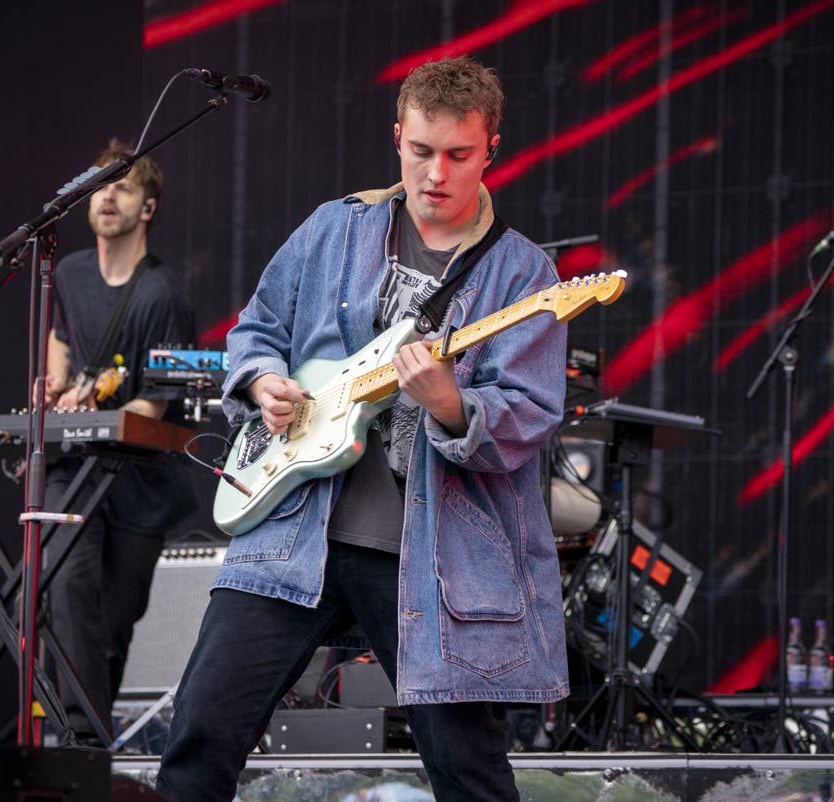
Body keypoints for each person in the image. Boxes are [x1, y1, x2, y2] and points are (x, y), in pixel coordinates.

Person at [157, 57, 569, 801]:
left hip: (432, 562)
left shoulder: (525, 277)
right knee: (199, 734)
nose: (435, 172)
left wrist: (451, 403)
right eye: (420, 151)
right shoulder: (333, 229)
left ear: (492, 151)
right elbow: (257, 331)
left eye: (458, 154)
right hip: (291, 534)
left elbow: (528, 415)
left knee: (469, 774)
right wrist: (262, 383)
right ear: (396, 140)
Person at [41, 139, 196, 746]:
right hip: (74, 467)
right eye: (100, 184)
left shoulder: (165, 295)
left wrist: (96, 405)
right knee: (64, 589)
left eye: (123, 186)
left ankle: (87, 742)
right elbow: (59, 341)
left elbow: (154, 405)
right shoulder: (71, 272)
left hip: (138, 482)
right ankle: (78, 742)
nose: (107, 195)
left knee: (111, 624)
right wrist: (54, 386)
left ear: (148, 207)